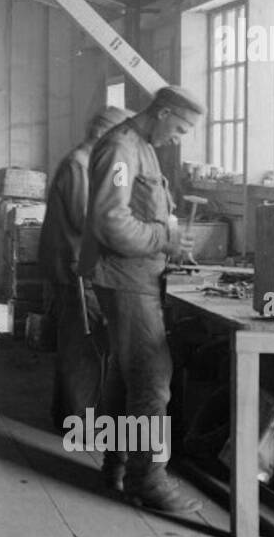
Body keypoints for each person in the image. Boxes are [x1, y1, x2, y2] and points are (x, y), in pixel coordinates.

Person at [78, 87, 203, 515]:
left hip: (137, 274)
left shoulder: (145, 148)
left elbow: (143, 209)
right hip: (124, 277)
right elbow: (111, 221)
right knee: (152, 374)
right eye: (180, 127)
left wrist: (167, 236)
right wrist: (163, 239)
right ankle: (147, 479)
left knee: (125, 375)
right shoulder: (121, 148)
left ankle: (116, 465)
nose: (180, 137)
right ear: (163, 112)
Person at [37, 107, 132, 429]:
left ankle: (68, 415)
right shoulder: (79, 165)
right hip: (75, 268)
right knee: (82, 347)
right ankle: (79, 421)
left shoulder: (87, 163)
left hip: (76, 265)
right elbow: (86, 219)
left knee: (76, 343)